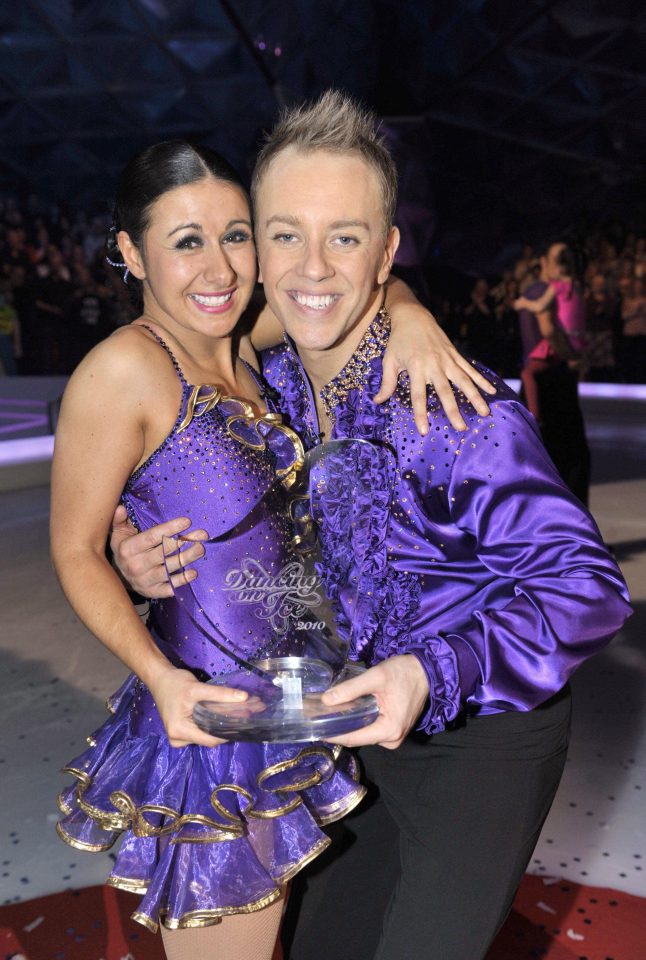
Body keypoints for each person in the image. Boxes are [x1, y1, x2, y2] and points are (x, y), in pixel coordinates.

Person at [115, 91, 631, 960]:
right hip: (346, 730)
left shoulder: (455, 414)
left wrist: (430, 675)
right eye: (286, 234)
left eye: (345, 238)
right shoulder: (262, 391)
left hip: (484, 740)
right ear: (255, 250)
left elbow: (589, 588)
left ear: (386, 251)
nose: (314, 268)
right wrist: (139, 562)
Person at [51, 139, 492, 959]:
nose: (219, 268)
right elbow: (75, 551)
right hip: (213, 731)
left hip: (295, 704)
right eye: (186, 242)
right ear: (128, 252)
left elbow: (352, 283)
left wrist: (415, 313)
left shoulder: (247, 339)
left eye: (237, 235)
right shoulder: (122, 372)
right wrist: (163, 679)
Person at [516, 241, 591, 504]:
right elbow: (548, 330)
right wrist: (572, 355)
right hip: (554, 379)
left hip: (537, 382)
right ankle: (574, 537)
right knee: (571, 461)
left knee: (537, 463)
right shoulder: (549, 290)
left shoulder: (534, 290)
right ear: (545, 264)